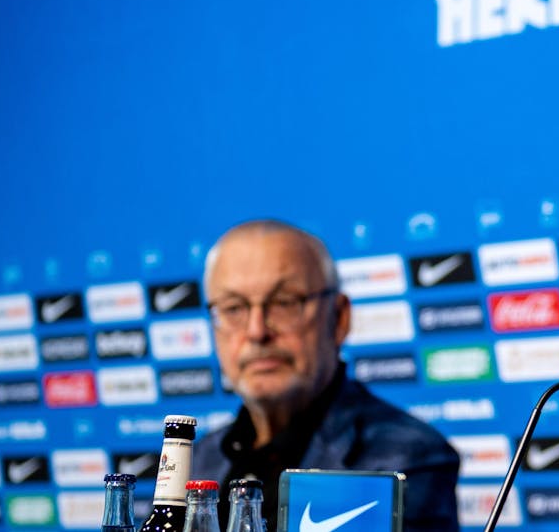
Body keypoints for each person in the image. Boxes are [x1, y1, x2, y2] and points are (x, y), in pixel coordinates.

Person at [191, 219, 460, 531]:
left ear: (339, 318)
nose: (256, 331)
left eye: (284, 303)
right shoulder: (197, 459)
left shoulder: (406, 459)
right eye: (234, 308)